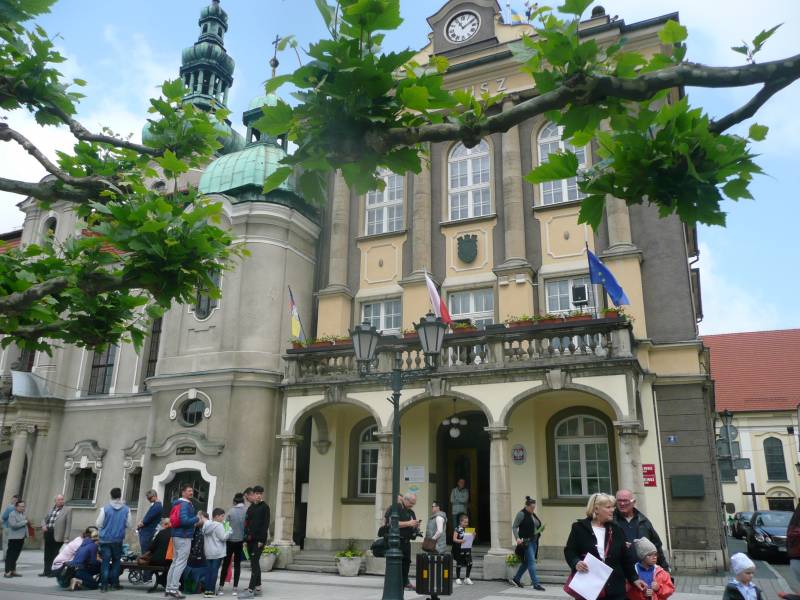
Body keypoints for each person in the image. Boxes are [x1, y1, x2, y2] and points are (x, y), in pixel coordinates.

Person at [564, 493, 646, 600]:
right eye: (608, 507)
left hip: (615, 588)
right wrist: (576, 562)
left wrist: (634, 578)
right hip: (589, 587)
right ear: (596, 509)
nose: (613, 510)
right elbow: (570, 551)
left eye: (613, 507)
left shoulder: (616, 530)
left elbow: (626, 558)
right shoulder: (579, 528)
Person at [614, 489, 670, 571]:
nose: (622, 504)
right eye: (619, 501)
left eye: (625, 501)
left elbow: (656, 546)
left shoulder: (643, 521)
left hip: (643, 571)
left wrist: (665, 570)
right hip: (621, 571)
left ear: (633, 502)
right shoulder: (611, 521)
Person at [165, 483, 200, 599]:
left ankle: (169, 588)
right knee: (180, 563)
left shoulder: (178, 503)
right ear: (183, 492)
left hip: (176, 535)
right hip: (184, 536)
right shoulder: (185, 504)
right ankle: (174, 589)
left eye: (192, 490)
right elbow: (184, 521)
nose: (191, 492)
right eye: (189, 491)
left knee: (175, 562)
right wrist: (197, 518)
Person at [95, 486, 132, 592]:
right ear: (120, 496)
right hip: (118, 540)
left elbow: (98, 523)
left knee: (105, 562)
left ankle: (104, 586)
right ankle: (115, 584)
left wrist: (104, 529)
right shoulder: (126, 509)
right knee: (116, 562)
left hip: (105, 539)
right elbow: (129, 524)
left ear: (111, 496)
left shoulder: (105, 509)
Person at [384, 492, 421, 591]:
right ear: (405, 499)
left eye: (414, 503)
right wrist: (409, 523)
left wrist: (416, 526)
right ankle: (395, 584)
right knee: (396, 563)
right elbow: (392, 523)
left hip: (407, 541)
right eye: (411, 503)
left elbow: (412, 524)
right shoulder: (396, 508)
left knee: (406, 563)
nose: (412, 505)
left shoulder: (411, 512)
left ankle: (405, 583)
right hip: (396, 541)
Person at [241, 485, 269, 599]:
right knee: (254, 563)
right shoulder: (251, 507)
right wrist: (245, 540)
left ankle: (251, 590)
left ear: (262, 495)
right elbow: (247, 524)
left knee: (254, 564)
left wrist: (261, 540)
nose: (258, 495)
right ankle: (258, 588)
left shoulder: (265, 507)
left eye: (260, 494)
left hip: (258, 541)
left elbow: (265, 525)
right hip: (250, 540)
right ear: (254, 494)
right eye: (256, 493)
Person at [511, 496, 545, 590]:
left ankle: (516, 579)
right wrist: (517, 538)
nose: (533, 509)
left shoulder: (533, 514)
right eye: (531, 507)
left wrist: (540, 529)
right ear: (527, 506)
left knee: (527, 562)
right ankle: (536, 584)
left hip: (534, 541)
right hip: (526, 542)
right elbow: (514, 527)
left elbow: (535, 525)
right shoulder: (521, 514)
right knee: (531, 562)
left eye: (534, 507)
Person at [219, 492, 246, 596]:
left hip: (230, 541)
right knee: (238, 565)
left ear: (234, 502)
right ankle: (235, 588)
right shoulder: (246, 511)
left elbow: (225, 525)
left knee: (226, 564)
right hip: (240, 541)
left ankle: (221, 587)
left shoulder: (230, 511)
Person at [202, 508, 231, 598]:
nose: (223, 518)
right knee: (214, 572)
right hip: (217, 552)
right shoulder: (219, 525)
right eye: (222, 516)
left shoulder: (207, 525)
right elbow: (223, 537)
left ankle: (207, 591)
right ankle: (211, 591)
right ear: (217, 516)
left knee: (208, 571)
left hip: (208, 551)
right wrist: (229, 531)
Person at [41, 493, 72, 577]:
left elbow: (68, 525)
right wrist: (43, 525)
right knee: (47, 554)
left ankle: (54, 572)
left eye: (62, 499)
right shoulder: (51, 509)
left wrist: (66, 537)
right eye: (59, 499)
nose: (61, 501)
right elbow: (44, 519)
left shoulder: (67, 510)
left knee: (55, 555)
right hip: (48, 533)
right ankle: (46, 571)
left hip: (59, 535)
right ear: (55, 501)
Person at [145, 518, 173, 592]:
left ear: (166, 524)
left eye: (163, 524)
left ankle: (162, 580)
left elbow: (151, 548)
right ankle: (163, 580)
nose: (162, 526)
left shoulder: (161, 533)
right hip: (168, 561)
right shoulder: (174, 533)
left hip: (156, 560)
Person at [4, 499, 28, 578]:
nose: (22, 508)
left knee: (16, 555)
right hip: (14, 538)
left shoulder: (23, 514)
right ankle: (7, 572)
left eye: (23, 506)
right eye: (21, 506)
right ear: (16, 507)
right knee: (10, 555)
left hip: (21, 537)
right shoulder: (12, 514)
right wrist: (24, 522)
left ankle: (13, 570)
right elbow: (13, 525)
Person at [452, 513, 473, 585]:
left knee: (470, 563)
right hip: (459, 549)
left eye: (467, 522)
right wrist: (461, 541)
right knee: (459, 563)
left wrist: (473, 535)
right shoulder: (457, 529)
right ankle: (458, 578)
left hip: (467, 548)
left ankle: (467, 577)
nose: (466, 524)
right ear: (460, 521)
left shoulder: (468, 529)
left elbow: (470, 539)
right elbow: (454, 539)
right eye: (465, 522)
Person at [1, 494, 19, 560]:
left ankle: (5, 557)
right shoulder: (20, 509)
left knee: (5, 543)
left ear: (13, 500)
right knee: (12, 543)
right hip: (15, 529)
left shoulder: (10, 507)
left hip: (7, 527)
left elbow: (4, 517)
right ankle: (11, 557)